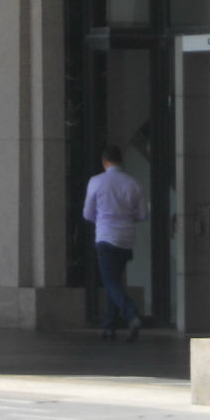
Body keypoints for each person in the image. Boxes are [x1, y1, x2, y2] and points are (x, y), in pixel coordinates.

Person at [83, 144, 147, 341]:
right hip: (126, 238)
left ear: (105, 162)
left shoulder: (96, 182)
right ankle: (109, 325)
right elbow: (143, 214)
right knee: (116, 281)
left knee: (110, 282)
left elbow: (88, 213)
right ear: (121, 161)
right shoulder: (133, 183)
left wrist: (103, 219)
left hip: (106, 237)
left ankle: (131, 313)